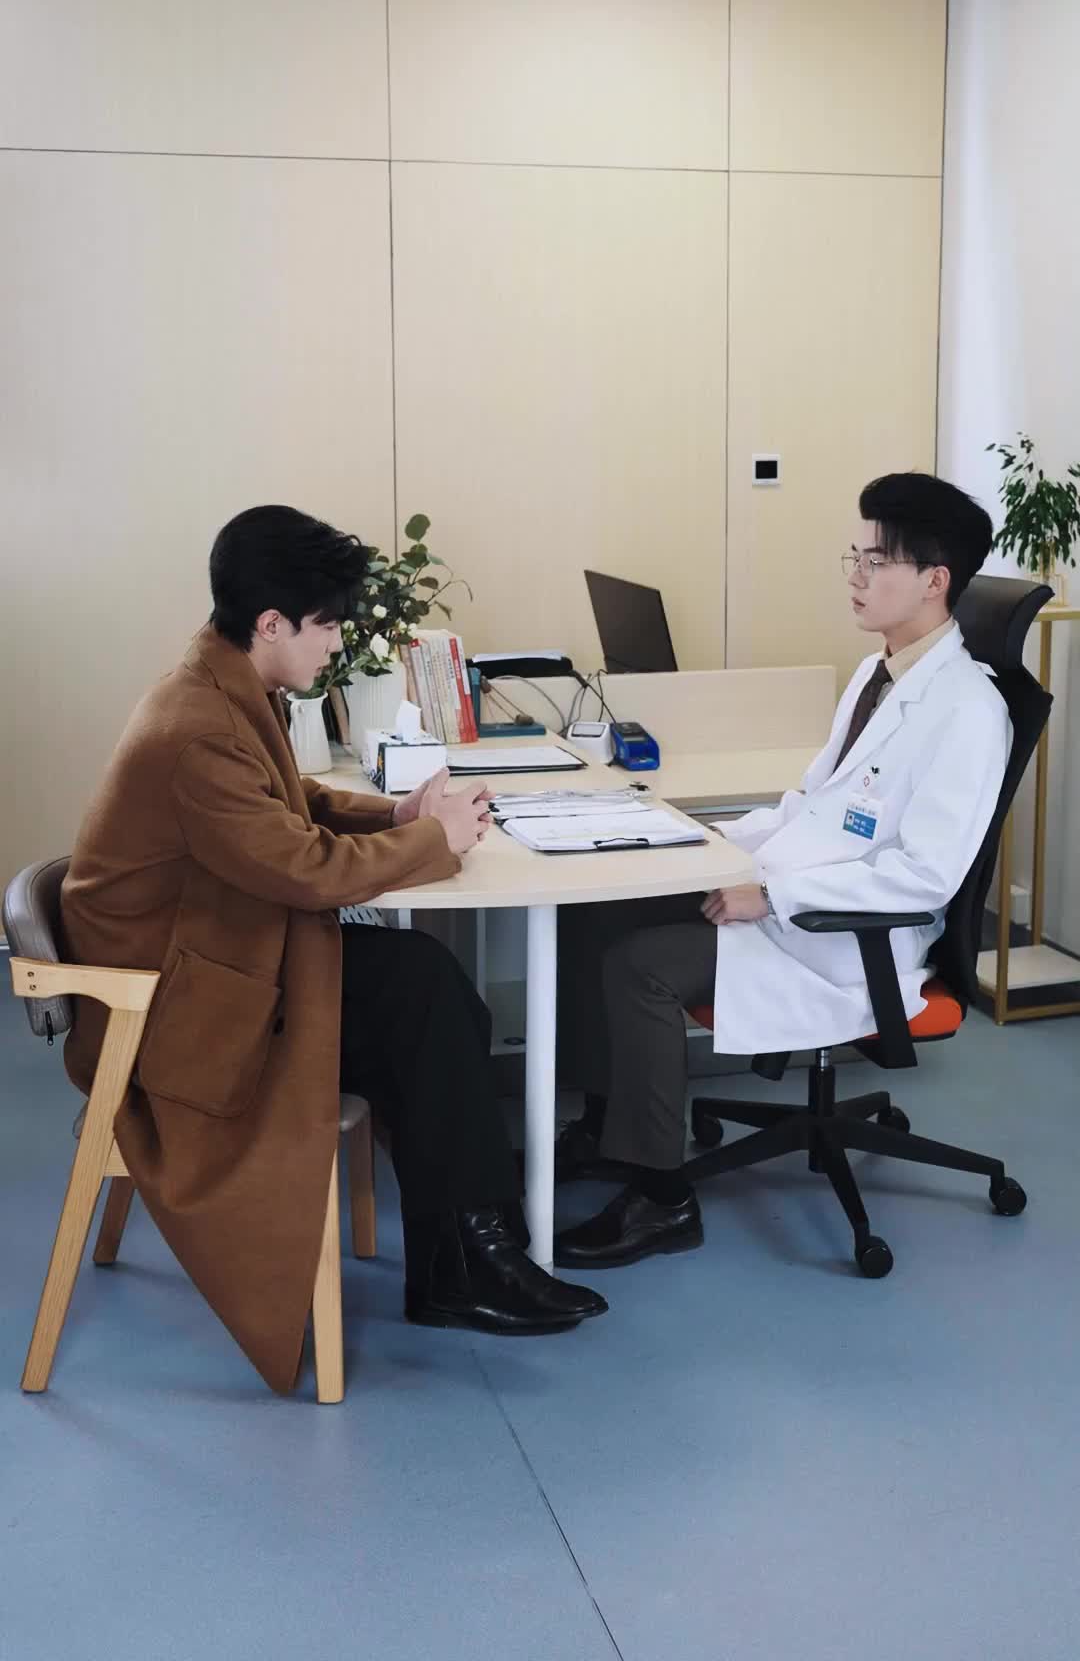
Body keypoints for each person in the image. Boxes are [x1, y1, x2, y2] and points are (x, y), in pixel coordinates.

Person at [61, 505, 605, 1394]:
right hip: (175, 1020)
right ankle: (468, 1255)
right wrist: (432, 842)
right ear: (272, 623)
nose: (338, 641)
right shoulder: (198, 727)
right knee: (424, 998)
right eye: (327, 625)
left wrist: (398, 816)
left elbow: (291, 805)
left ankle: (469, 1248)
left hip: (209, 969)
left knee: (425, 994)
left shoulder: (220, 686)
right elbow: (305, 870)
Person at [553, 472, 1010, 1271]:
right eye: (854, 557)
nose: (855, 577)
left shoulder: (969, 710)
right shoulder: (878, 675)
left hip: (845, 937)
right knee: (593, 910)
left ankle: (662, 1196)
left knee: (638, 965)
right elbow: (811, 804)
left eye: (877, 562)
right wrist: (702, 839)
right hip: (791, 900)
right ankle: (607, 1128)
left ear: (935, 581)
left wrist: (771, 894)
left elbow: (924, 877)